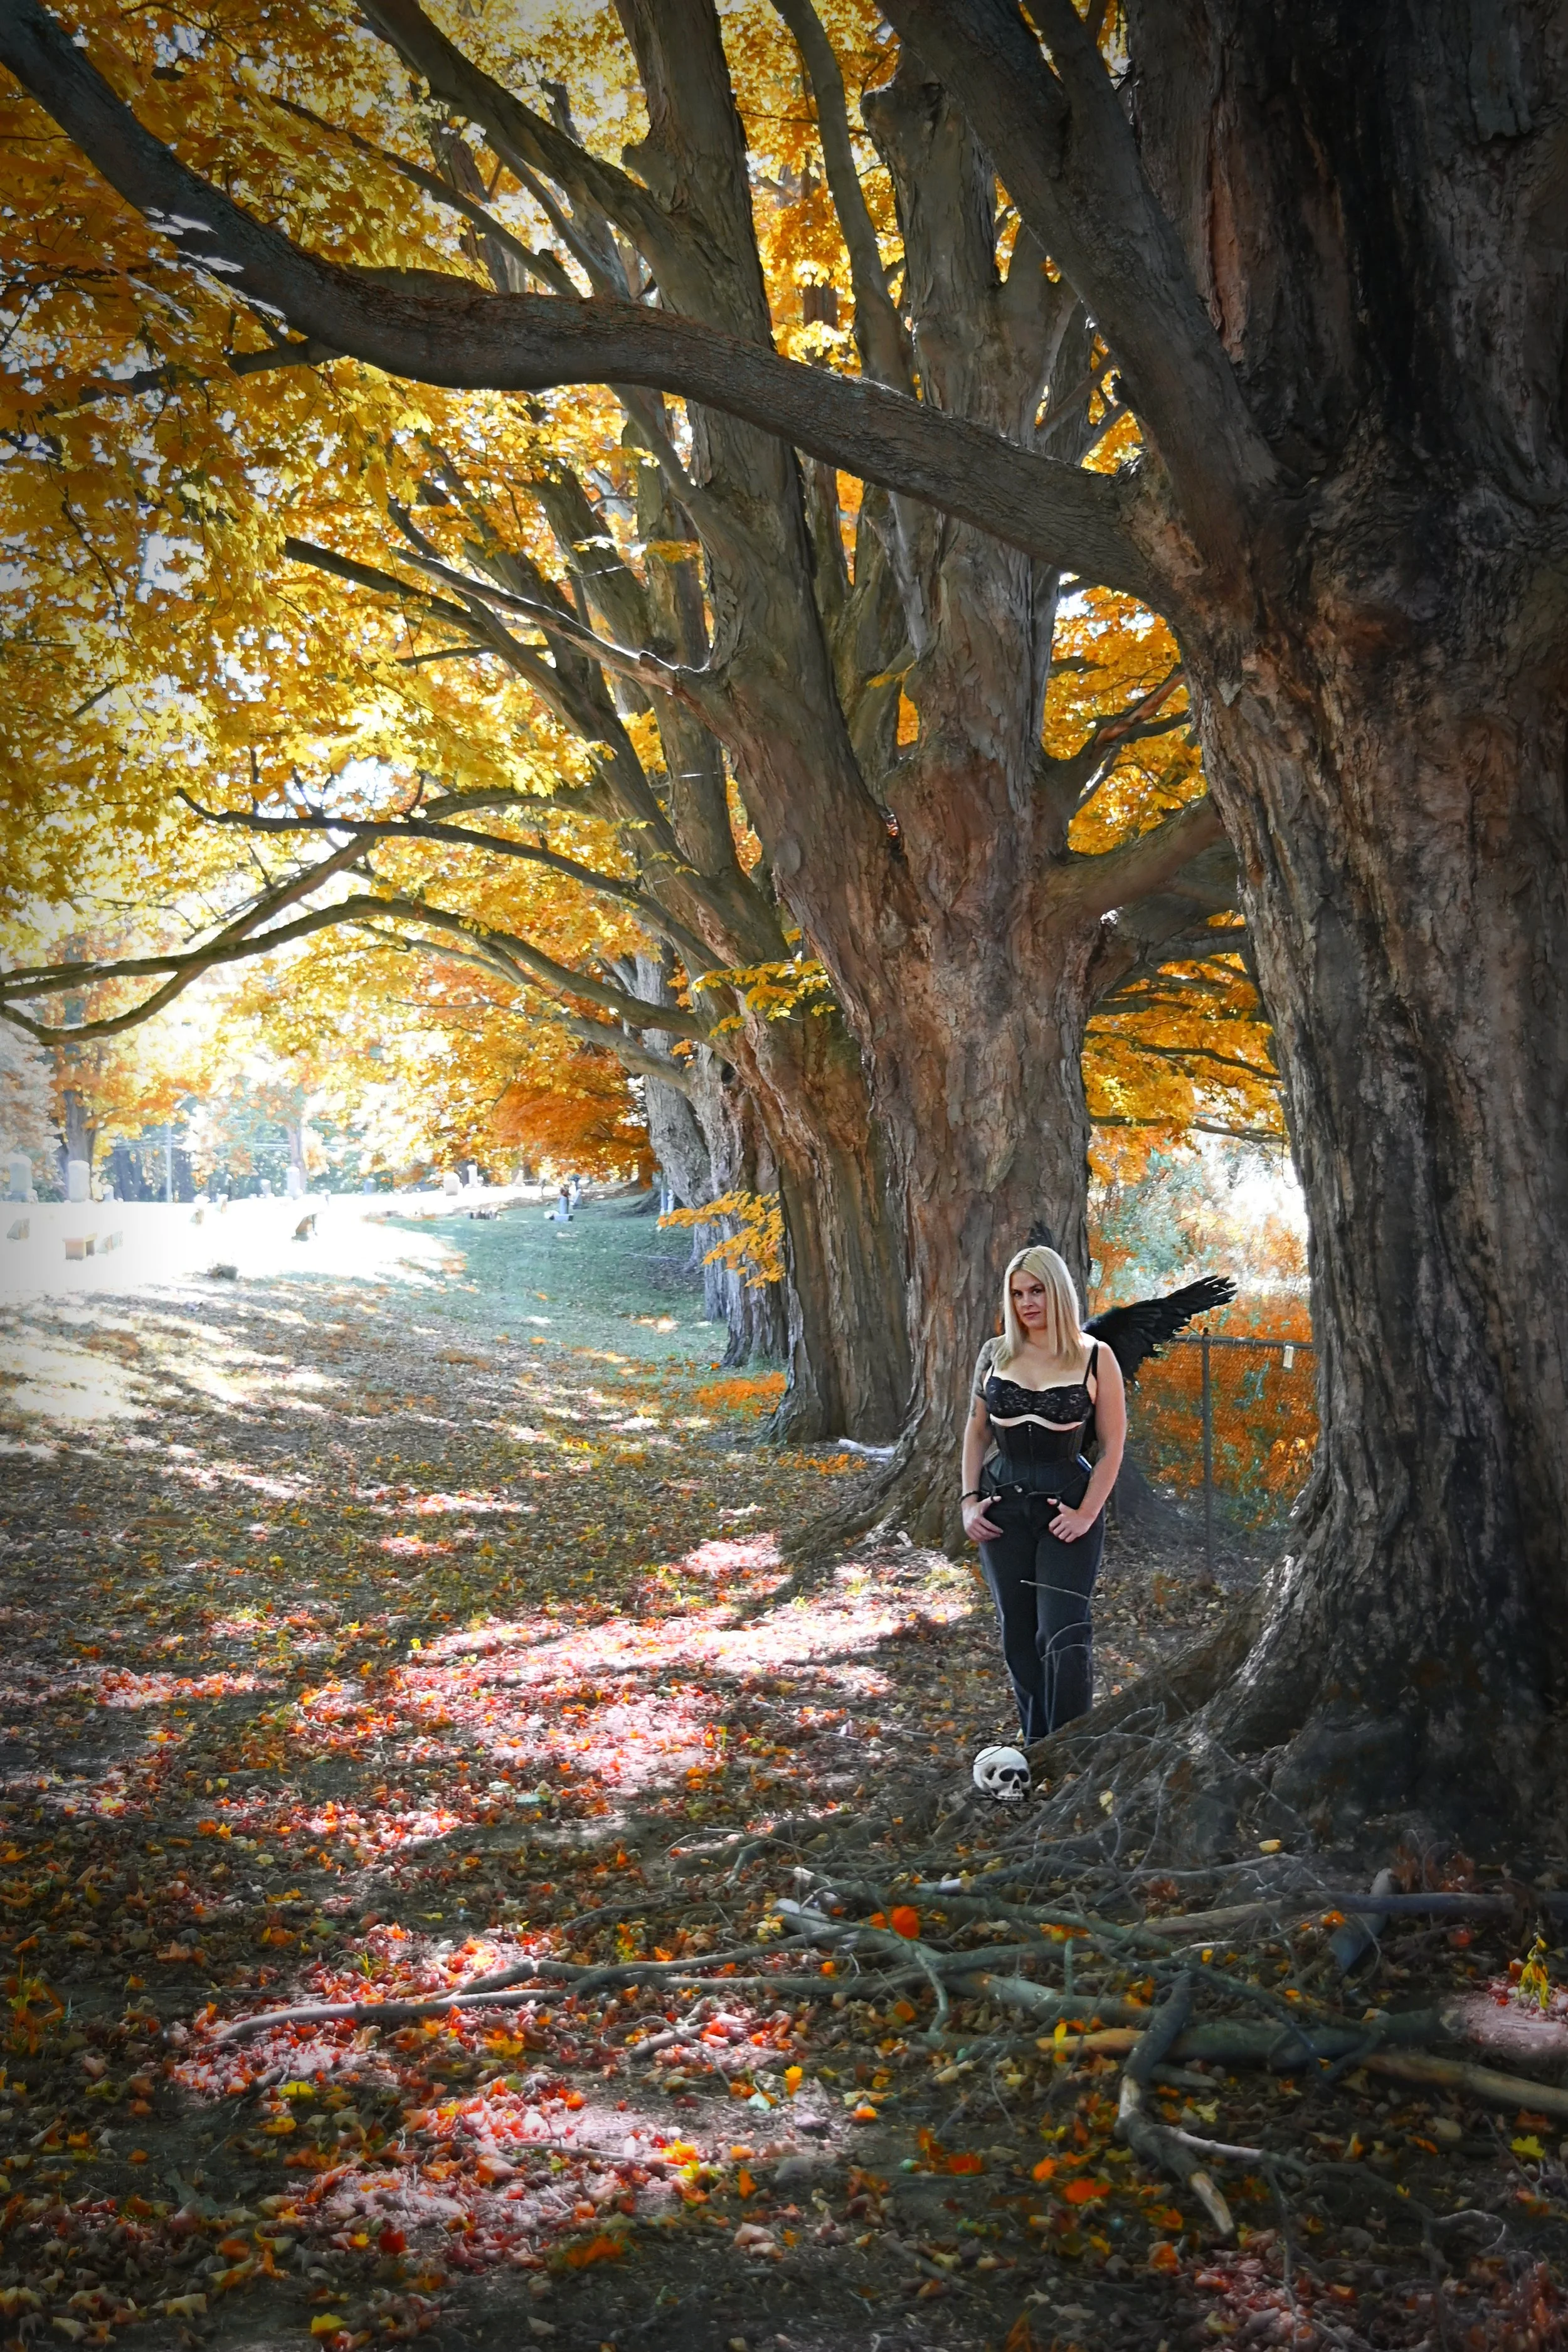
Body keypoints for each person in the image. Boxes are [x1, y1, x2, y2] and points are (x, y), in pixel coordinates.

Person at [961, 1246, 1127, 1745]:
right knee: (1018, 1631)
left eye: (1036, 1291)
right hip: (1003, 1508)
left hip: (1066, 1507)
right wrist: (969, 1502)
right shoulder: (995, 1354)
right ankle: (1035, 1747)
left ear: (1057, 1292)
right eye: (1017, 1294)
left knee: (1062, 1631)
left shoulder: (1095, 1356)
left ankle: (1070, 1748)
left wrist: (1087, 1513)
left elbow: (1114, 1443)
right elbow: (976, 1433)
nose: (1027, 1303)